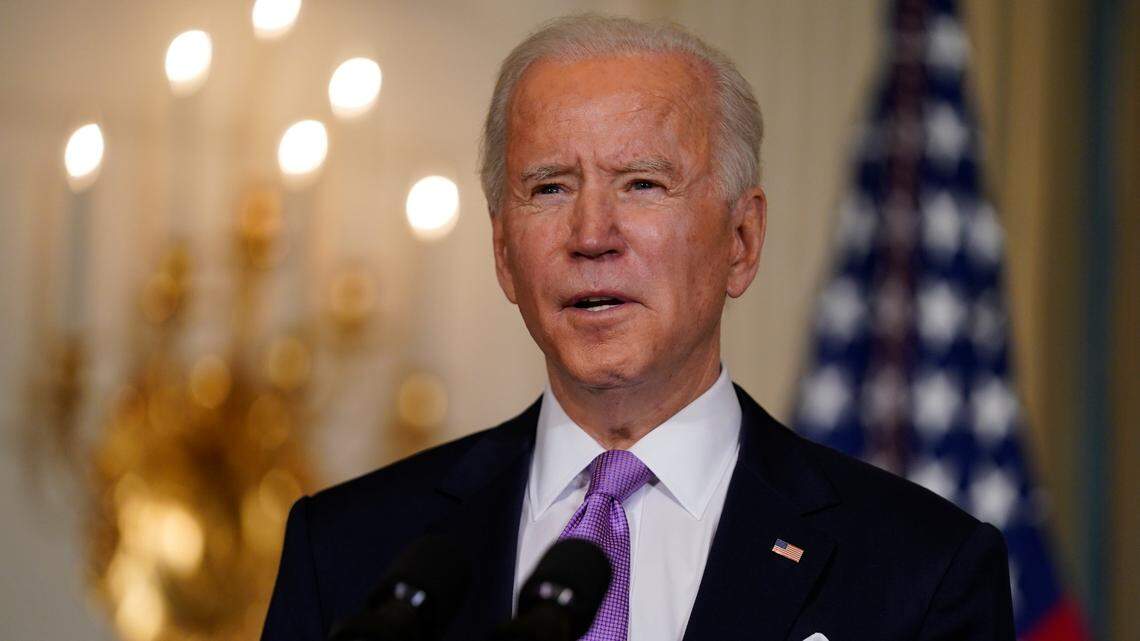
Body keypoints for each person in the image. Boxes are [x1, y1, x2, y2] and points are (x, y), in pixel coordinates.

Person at [261, 14, 1014, 641]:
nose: (592, 234)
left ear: (742, 242)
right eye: (549, 187)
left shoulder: (921, 568)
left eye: (642, 185)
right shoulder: (349, 552)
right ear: (502, 252)